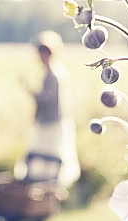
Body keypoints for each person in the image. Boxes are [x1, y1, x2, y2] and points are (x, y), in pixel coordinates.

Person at [20, 31, 80, 188]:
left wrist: (28, 87)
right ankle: (44, 188)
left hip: (52, 122)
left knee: (49, 156)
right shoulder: (53, 72)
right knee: (44, 157)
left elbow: (46, 99)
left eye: (41, 53)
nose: (39, 57)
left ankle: (50, 189)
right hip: (49, 121)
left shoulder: (54, 74)